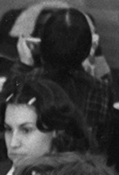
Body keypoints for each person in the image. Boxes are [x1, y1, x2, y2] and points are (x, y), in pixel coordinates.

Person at [13, 8, 112, 151]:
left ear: (44, 45)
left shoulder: (28, 81)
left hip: (34, 167)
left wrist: (23, 65)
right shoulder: (101, 90)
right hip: (81, 170)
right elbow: (102, 145)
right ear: (87, 49)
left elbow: (8, 105)